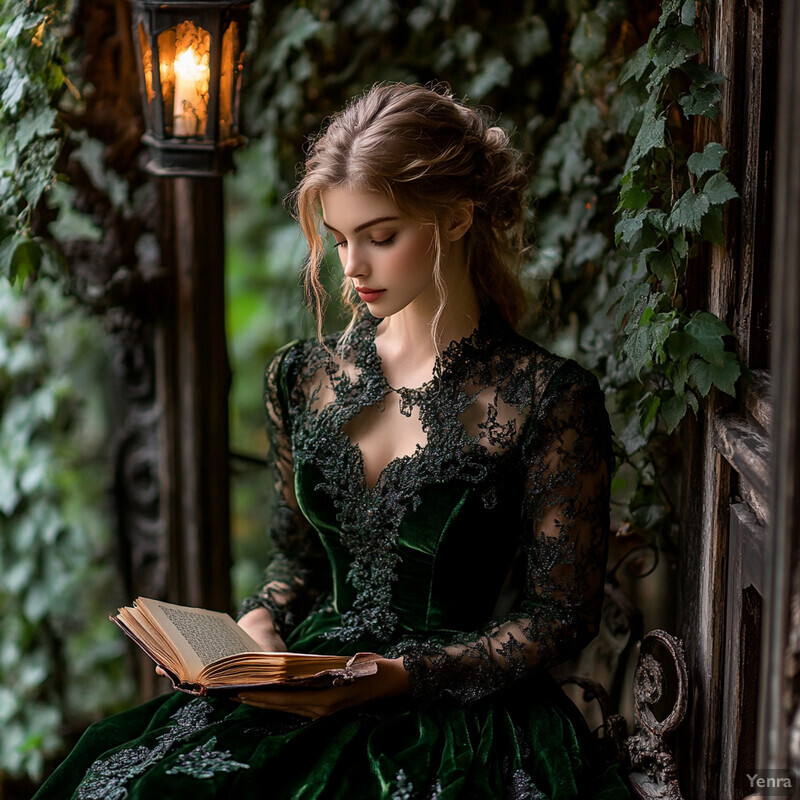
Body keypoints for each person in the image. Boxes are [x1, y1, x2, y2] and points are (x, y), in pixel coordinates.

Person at [34, 83, 631, 799]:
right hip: (305, 686)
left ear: (457, 218)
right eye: (342, 238)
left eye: (381, 236)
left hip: (455, 718)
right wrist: (258, 627)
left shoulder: (547, 397)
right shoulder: (302, 376)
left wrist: (402, 676)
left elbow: (560, 617)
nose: (351, 267)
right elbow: (297, 559)